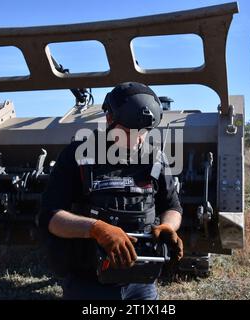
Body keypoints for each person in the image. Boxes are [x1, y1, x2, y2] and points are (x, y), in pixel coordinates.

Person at [39, 82, 183, 300]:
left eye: (143, 132)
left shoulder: (156, 159)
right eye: (127, 132)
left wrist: (168, 226)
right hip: (88, 283)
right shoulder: (77, 156)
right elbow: (50, 217)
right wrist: (96, 229)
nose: (137, 139)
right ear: (109, 119)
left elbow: (172, 206)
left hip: (141, 282)